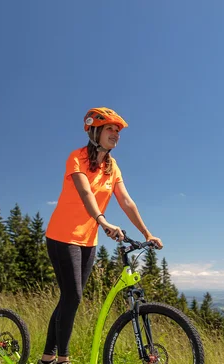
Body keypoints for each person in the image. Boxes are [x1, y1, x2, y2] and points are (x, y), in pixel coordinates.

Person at [39, 107, 163, 364]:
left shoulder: (112, 166)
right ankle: (62, 359)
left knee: (69, 299)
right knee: (72, 296)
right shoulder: (77, 158)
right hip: (62, 236)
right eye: (110, 129)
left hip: (88, 241)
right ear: (94, 130)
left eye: (118, 131)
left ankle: (46, 358)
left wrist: (147, 233)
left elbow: (126, 201)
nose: (116, 134)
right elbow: (85, 193)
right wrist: (102, 220)